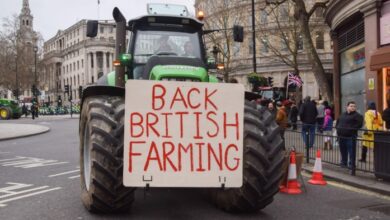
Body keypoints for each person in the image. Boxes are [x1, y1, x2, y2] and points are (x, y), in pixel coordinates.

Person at [336, 101, 363, 170]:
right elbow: (338, 122)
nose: (353, 107)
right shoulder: (342, 114)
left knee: (351, 152)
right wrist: (338, 129)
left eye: (354, 106)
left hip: (350, 137)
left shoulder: (357, 115)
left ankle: (351, 164)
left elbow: (359, 125)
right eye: (351, 106)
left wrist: (350, 129)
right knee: (343, 151)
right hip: (341, 136)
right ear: (347, 107)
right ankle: (344, 163)